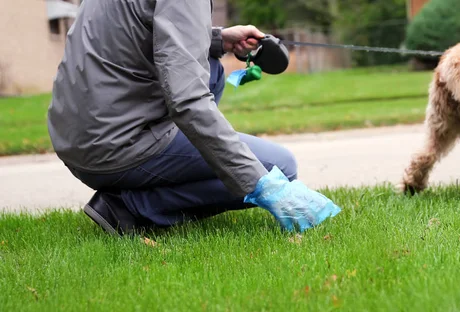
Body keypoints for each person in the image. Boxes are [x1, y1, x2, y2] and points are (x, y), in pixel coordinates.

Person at [47, 0, 341, 235]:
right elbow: (188, 100)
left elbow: (135, 30)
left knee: (212, 70)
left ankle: (155, 180)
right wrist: (263, 184)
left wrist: (216, 39)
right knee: (280, 167)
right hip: (116, 146)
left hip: (75, 135)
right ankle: (130, 208)